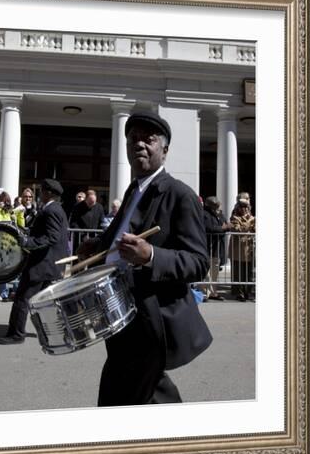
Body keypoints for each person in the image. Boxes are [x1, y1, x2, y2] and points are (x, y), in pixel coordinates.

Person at [78, 111, 211, 406]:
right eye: (133, 139)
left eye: (148, 139)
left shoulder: (179, 194)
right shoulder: (133, 190)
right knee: (143, 391)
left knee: (121, 392)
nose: (138, 144)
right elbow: (117, 239)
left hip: (151, 320)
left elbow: (199, 262)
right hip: (120, 311)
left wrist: (150, 255)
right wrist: (96, 247)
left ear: (164, 151)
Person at [0, 178, 69, 344]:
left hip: (42, 264)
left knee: (22, 298)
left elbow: (52, 237)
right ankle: (57, 333)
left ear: (48, 192)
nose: (39, 194)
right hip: (48, 264)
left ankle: (16, 334)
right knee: (47, 302)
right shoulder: (54, 209)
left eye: (42, 190)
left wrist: (28, 242)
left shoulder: (52, 210)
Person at [0, 191, 25, 301]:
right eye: (2, 201)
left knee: (16, 268)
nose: (4, 203)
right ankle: (3, 293)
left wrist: (20, 214)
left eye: (6, 201)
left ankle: (15, 291)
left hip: (12, 243)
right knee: (2, 269)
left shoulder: (11, 211)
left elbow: (21, 225)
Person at [202, 196, 230, 300]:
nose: (217, 207)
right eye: (215, 205)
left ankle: (213, 292)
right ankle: (205, 293)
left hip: (217, 246)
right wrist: (222, 228)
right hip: (208, 246)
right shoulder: (204, 214)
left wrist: (224, 227)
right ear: (209, 205)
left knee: (215, 271)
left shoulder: (219, 214)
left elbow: (226, 225)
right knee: (206, 272)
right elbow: (208, 228)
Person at [228, 199, 256, 301]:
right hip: (237, 250)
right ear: (238, 208)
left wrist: (253, 224)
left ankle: (248, 292)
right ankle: (238, 293)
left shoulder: (252, 218)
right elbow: (237, 229)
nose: (244, 209)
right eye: (242, 207)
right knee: (238, 272)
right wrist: (249, 223)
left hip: (248, 249)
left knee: (248, 272)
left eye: (246, 207)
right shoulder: (234, 217)